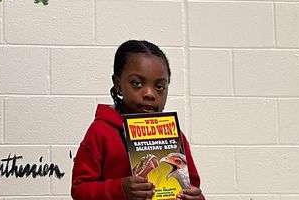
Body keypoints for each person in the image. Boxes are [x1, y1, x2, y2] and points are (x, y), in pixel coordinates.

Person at [71, 40, 204, 200]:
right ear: (118, 84)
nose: (149, 93)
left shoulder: (175, 135)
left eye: (159, 86)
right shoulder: (101, 132)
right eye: (137, 83)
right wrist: (120, 189)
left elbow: (193, 186)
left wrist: (196, 197)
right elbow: (79, 190)